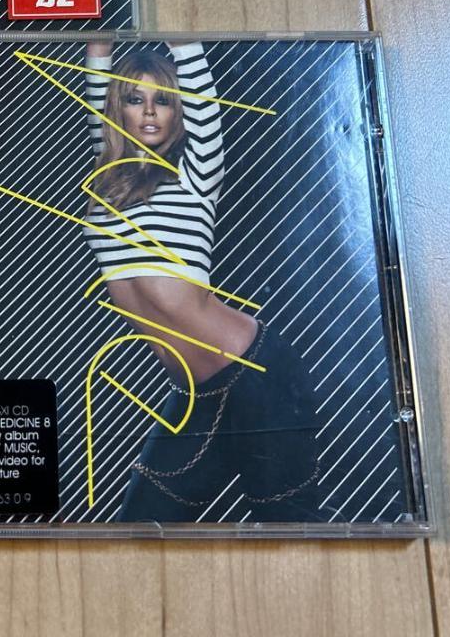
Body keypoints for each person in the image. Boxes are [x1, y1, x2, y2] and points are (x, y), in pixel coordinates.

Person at [83, 40, 320, 522]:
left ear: (178, 112)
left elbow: (204, 105)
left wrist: (183, 38)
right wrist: (98, 38)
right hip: (194, 398)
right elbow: (96, 74)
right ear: (118, 109)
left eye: (164, 100)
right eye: (135, 99)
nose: (150, 112)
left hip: (257, 375)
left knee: (291, 530)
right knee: (139, 529)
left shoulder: (196, 177)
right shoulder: (108, 178)